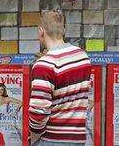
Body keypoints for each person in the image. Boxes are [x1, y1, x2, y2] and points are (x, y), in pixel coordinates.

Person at [29, 10, 92, 145]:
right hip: (78, 139)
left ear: (41, 31)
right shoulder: (83, 56)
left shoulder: (43, 65)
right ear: (63, 30)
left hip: (51, 139)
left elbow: (39, 112)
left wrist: (33, 139)